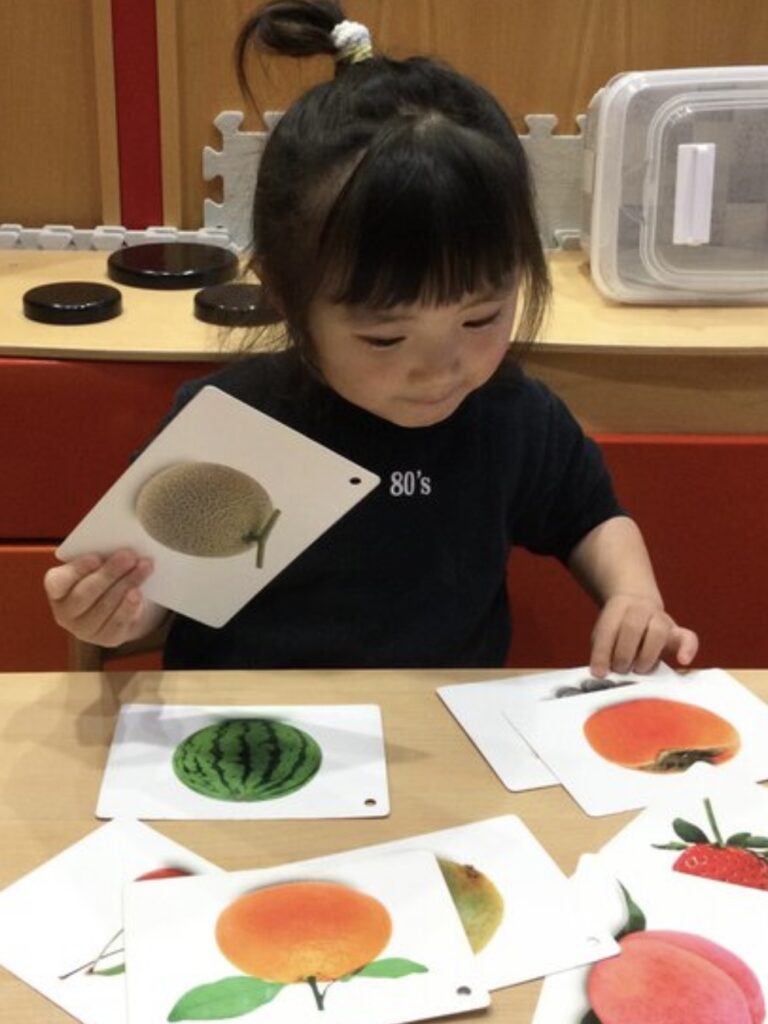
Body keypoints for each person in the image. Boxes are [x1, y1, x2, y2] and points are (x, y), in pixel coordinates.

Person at [44, 0, 698, 677]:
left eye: (480, 318)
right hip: (253, 719)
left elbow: (590, 516)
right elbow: (152, 593)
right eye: (385, 338)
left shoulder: (512, 416)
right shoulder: (233, 424)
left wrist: (633, 595)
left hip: (441, 724)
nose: (439, 369)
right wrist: (117, 612)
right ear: (285, 295)